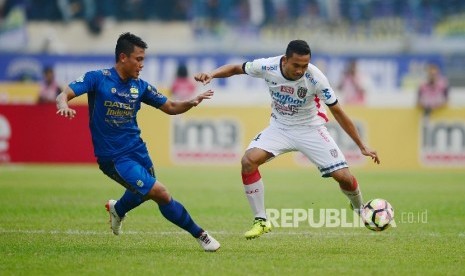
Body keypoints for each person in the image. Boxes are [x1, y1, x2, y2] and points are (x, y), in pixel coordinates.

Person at [194, 40, 380, 239]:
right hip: (279, 128)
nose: (301, 70)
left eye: (305, 66)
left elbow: (339, 112)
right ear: (285, 60)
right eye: (296, 65)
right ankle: (261, 220)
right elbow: (234, 68)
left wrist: (361, 145)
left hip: (310, 129)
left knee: (344, 177)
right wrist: (211, 74)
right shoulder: (267, 66)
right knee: (248, 161)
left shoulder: (316, 78)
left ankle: (360, 209)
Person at [56, 32, 220, 252]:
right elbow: (63, 94)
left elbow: (170, 107)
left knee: (144, 192)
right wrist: (63, 105)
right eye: (139, 59)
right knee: (160, 193)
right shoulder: (98, 78)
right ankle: (201, 235)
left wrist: (191, 102)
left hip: (138, 151)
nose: (142, 64)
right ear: (123, 57)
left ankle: (118, 209)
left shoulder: (140, 86)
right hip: (114, 157)